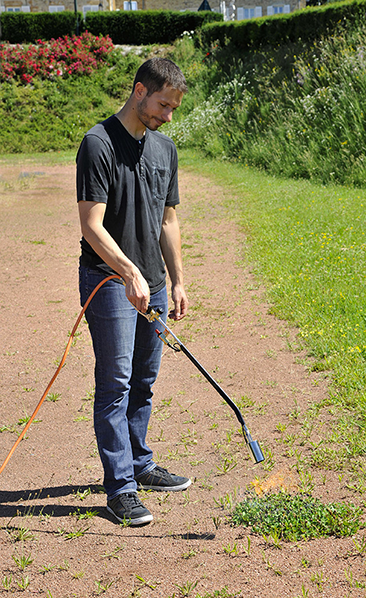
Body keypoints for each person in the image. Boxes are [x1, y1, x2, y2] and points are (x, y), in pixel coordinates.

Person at [76, 58, 191, 526]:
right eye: (163, 105)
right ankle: (120, 487)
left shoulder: (165, 149)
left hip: (155, 287)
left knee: (143, 380)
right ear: (139, 90)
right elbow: (91, 225)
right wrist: (127, 272)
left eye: (173, 108)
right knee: (116, 384)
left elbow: (168, 220)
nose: (167, 116)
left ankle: (140, 464)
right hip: (108, 282)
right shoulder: (98, 143)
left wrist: (177, 279)